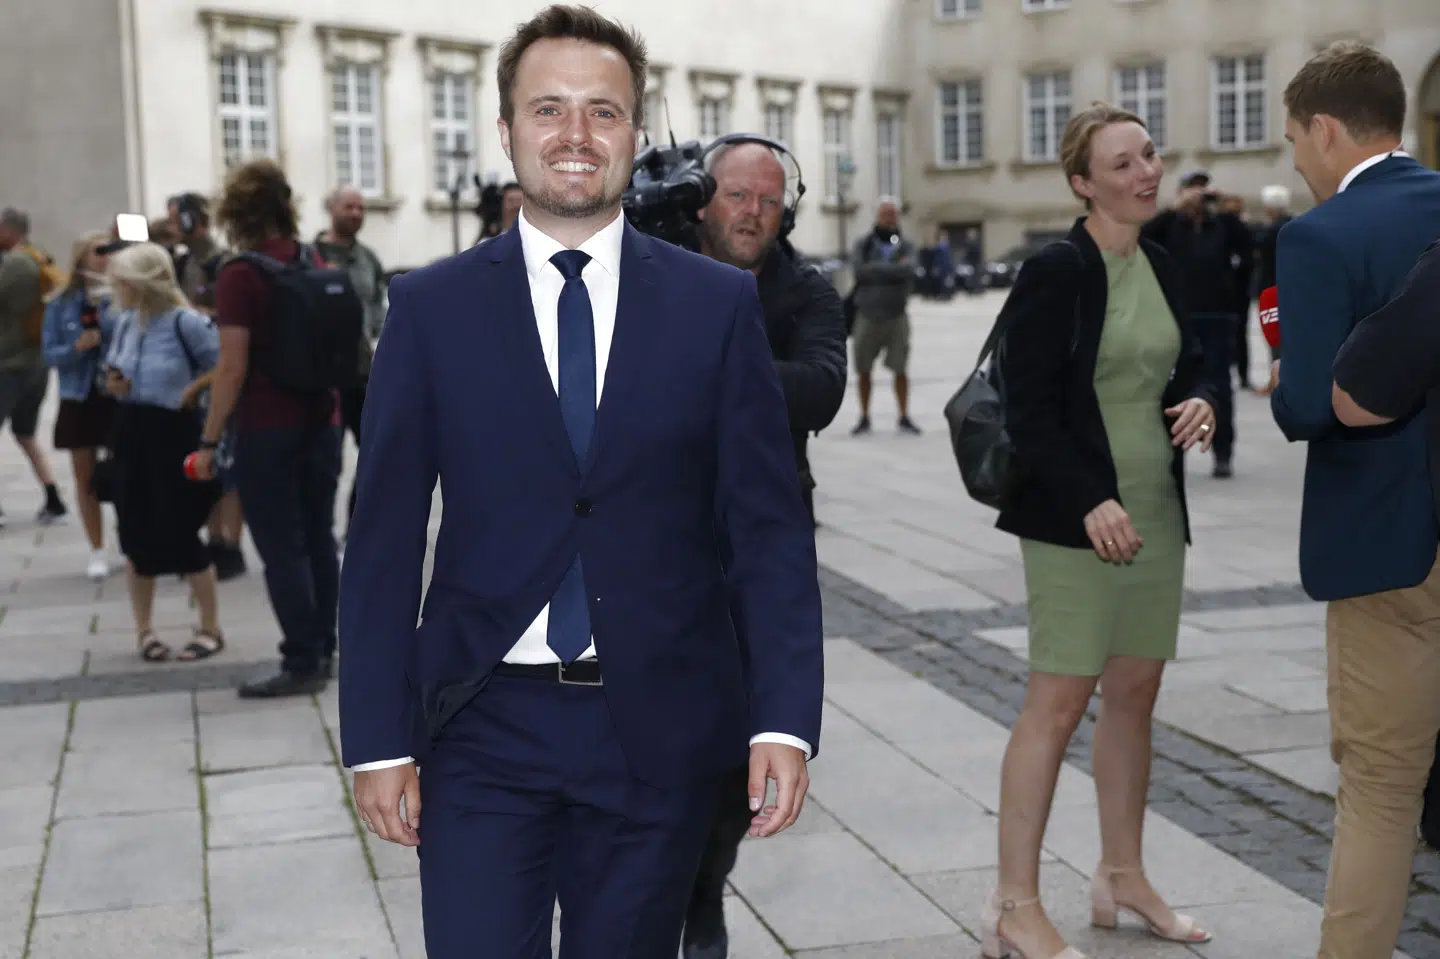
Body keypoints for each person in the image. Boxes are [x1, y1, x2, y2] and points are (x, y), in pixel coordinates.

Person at [338, 7, 824, 959]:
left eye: (603, 112)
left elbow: (766, 529)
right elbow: (384, 538)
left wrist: (783, 717)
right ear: (507, 129)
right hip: (480, 724)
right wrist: (377, 737)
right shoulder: (430, 309)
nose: (574, 135)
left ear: (635, 134)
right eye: (548, 108)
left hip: (655, 725)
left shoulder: (714, 306)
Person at [987, 102, 1216, 959]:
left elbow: (1188, 359)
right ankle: (1012, 903)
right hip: (1076, 519)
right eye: (1122, 164)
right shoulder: (1058, 268)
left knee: (1135, 695)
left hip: (1154, 510)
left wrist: (1203, 398)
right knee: (1057, 703)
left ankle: (1122, 873)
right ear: (1083, 182)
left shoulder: (1163, 260)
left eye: (1150, 154)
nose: (1145, 172)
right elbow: (1028, 407)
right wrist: (1090, 497)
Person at [1264, 42, 1440, 959]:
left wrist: (1284, 378)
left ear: (1327, 129)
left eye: (1296, 139)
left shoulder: (1318, 235)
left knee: (1380, 784)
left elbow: (1309, 408)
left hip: (1389, 552)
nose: (1296, 161)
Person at [685, 138, 846, 958]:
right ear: (702, 199)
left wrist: (711, 361)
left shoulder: (805, 290)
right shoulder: (655, 267)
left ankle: (704, 892)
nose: (752, 213)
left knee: (732, 746)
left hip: (758, 539)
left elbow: (820, 390)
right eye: (738, 195)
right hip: (661, 539)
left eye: (769, 201)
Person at [192, 159, 345, 697]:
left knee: (282, 547)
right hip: (322, 420)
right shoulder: (312, 257)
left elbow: (231, 367)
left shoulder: (239, 274)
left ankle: (301, 660)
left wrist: (209, 440)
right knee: (320, 538)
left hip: (267, 426)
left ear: (236, 211)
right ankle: (326, 646)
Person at [102, 243, 223, 662]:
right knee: (135, 532)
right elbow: (113, 372)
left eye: (123, 279)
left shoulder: (185, 322)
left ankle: (210, 628)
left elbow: (222, 366)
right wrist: (114, 384)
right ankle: (144, 631)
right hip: (132, 430)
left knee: (182, 529)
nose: (117, 286)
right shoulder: (125, 323)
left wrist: (191, 391)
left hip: (175, 430)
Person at [1141, 172, 1253, 477]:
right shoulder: (1169, 225)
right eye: (1193, 189)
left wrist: (1228, 207)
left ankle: (1222, 452)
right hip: (1176, 319)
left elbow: (1250, 250)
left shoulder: (1224, 224)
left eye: (1203, 190)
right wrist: (1173, 208)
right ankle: (1173, 454)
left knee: (1218, 387)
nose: (1199, 196)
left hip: (1218, 317)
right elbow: (1141, 241)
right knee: (1173, 388)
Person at [42, 232, 121, 580]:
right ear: (82, 259)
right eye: (99, 251)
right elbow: (49, 354)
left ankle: (133, 540)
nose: (105, 257)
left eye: (108, 251)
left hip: (116, 393)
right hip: (79, 393)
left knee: (127, 469)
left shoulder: (119, 297)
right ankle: (96, 548)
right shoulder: (61, 304)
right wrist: (77, 347)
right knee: (84, 475)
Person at [313, 186, 387, 527]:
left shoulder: (369, 259)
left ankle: (358, 526)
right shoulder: (309, 256)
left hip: (363, 374)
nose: (356, 213)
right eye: (349, 207)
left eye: (360, 207)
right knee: (326, 460)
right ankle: (321, 533)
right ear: (331, 209)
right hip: (323, 377)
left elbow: (378, 306)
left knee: (375, 454)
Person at [0, 208, 71, 525]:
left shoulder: (14, 264)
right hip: (35, 364)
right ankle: (53, 497)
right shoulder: (38, 255)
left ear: (8, 230)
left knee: (24, 433)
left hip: (8, 365)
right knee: (25, 433)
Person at [850, 200, 920, 435]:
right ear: (877, 216)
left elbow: (910, 269)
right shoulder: (864, 243)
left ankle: (903, 415)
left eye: (892, 214)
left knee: (901, 368)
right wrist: (893, 270)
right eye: (884, 213)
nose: (889, 218)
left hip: (896, 315)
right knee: (863, 369)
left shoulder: (906, 244)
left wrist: (876, 269)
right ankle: (864, 416)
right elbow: (859, 271)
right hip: (867, 314)